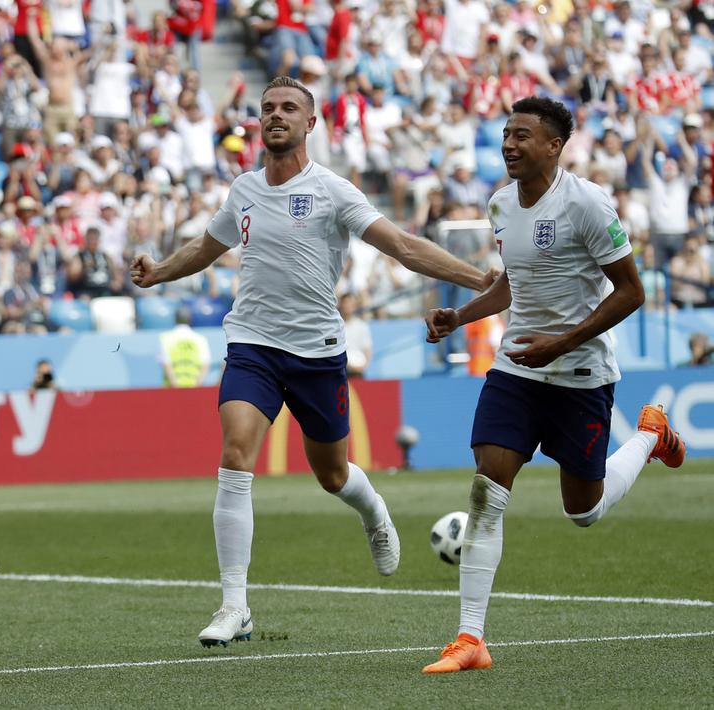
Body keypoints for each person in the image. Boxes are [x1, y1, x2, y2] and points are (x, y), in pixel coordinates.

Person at [130, 76, 494, 647]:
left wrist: (481, 279)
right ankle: (234, 604)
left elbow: (401, 245)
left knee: (332, 474)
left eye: (289, 108)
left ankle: (373, 510)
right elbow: (207, 248)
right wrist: (159, 273)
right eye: (268, 107)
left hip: (319, 352)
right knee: (234, 454)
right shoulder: (243, 189)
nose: (276, 115)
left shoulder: (333, 191)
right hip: (252, 345)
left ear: (310, 123)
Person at [421, 97, 686, 674]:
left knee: (582, 511)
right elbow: (512, 286)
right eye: (506, 134)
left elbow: (631, 291)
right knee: (487, 490)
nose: (509, 145)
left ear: (554, 145)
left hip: (580, 376)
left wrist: (563, 342)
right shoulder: (499, 204)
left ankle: (649, 435)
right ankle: (470, 640)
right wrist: (459, 317)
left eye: (522, 135)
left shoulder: (587, 203)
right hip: (517, 369)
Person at [159, 306, 211, 387]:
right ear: (190, 320)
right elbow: (205, 366)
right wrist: (195, 388)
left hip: (170, 391)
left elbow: (166, 365)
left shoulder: (165, 338)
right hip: (194, 389)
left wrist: (177, 388)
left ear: (175, 319)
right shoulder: (200, 339)